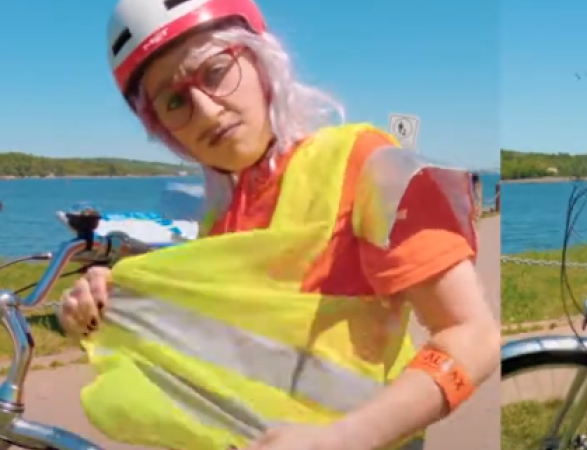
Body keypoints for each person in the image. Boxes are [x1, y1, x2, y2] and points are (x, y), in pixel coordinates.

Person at [52, 0, 499, 448]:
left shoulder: (364, 164)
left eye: (215, 70)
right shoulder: (218, 216)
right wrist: (109, 305)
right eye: (174, 101)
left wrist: (340, 439)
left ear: (261, 58)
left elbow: (473, 337)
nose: (206, 111)